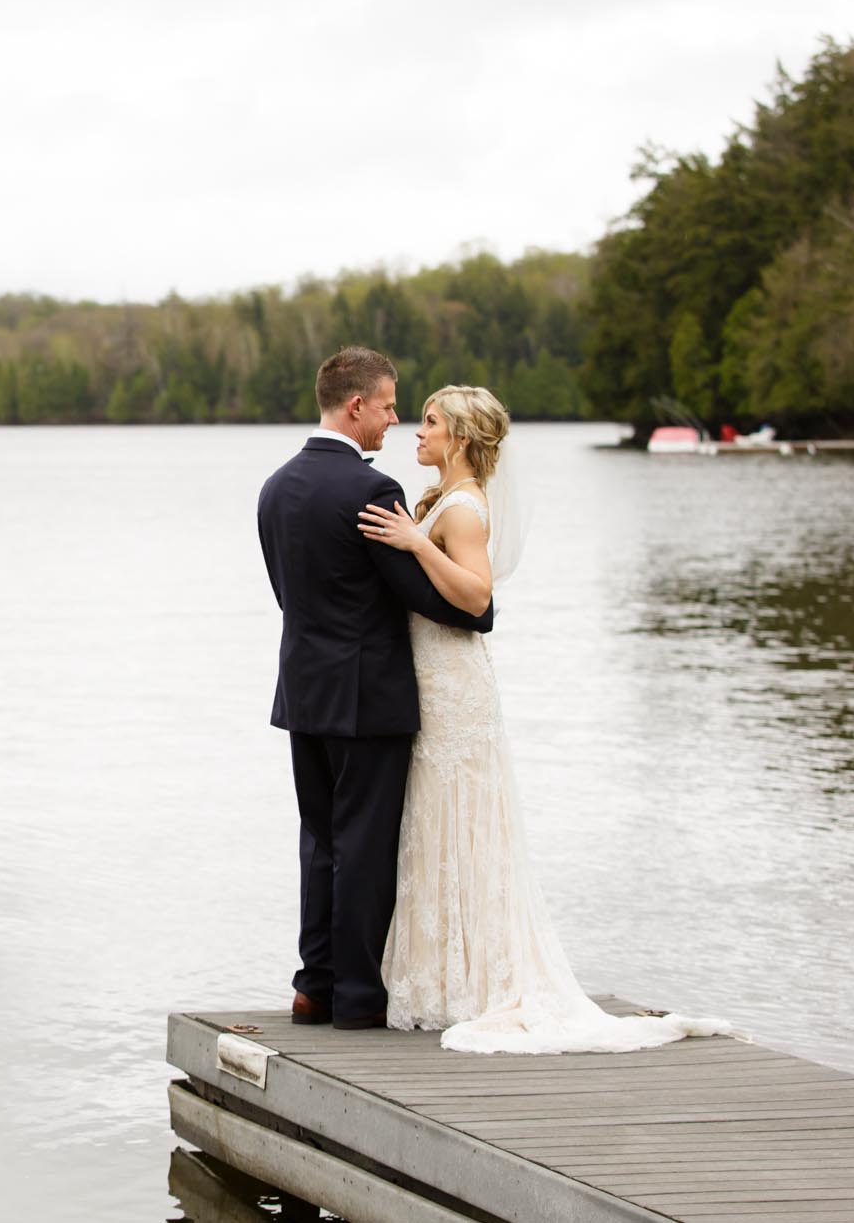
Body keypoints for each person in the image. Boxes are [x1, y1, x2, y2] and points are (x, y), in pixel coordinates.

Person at [357, 385, 731, 1053]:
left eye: (431, 423)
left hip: (454, 682)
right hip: (433, 675)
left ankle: (472, 981)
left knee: (462, 818)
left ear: (462, 438)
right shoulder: (447, 497)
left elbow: (476, 596)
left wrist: (416, 542)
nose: (417, 432)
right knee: (440, 819)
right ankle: (448, 975)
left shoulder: (464, 508)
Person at [256, 348, 493, 1031]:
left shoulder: (275, 486)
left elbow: (286, 593)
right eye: (388, 405)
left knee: (320, 839)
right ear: (355, 405)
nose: (394, 418)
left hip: (304, 691)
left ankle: (313, 987)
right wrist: (479, 605)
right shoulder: (370, 490)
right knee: (364, 844)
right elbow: (434, 600)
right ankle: (358, 997)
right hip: (370, 697)